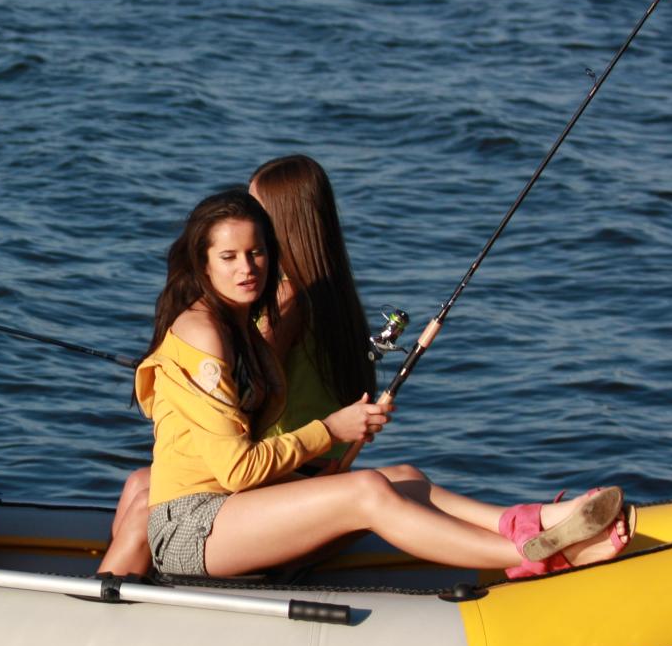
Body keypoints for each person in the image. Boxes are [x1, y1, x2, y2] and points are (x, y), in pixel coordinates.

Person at [116, 188, 629, 581]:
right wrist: (330, 429)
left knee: (402, 477)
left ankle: (533, 521)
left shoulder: (238, 325)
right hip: (193, 527)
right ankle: (537, 555)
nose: (248, 269)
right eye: (229, 257)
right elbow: (236, 468)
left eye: (257, 253)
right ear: (202, 263)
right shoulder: (204, 331)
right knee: (365, 492)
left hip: (235, 507)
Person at [99, 155, 370, 575]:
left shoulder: (284, 298)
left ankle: (109, 591)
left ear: (278, 221)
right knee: (140, 482)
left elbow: (248, 385)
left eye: (255, 206)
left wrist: (188, 368)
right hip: (296, 457)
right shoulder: (326, 286)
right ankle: (127, 580)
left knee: (144, 503)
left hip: (286, 461)